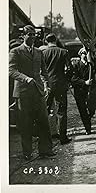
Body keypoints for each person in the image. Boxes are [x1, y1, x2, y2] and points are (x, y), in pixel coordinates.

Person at [9, 25, 56, 160]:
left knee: (43, 121)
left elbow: (44, 71)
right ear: (23, 36)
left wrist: (47, 84)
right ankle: (27, 153)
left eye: (34, 35)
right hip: (23, 93)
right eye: (29, 35)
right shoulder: (15, 51)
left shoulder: (38, 52)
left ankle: (46, 150)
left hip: (38, 91)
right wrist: (25, 78)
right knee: (26, 123)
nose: (32, 37)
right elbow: (11, 70)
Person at [41, 33, 72, 145]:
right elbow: (69, 69)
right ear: (56, 40)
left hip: (47, 85)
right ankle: (63, 138)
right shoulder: (64, 52)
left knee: (44, 110)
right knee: (62, 111)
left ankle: (44, 138)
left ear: (46, 41)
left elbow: (40, 71)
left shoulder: (43, 53)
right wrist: (66, 81)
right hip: (60, 84)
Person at [71, 47, 96, 134]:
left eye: (87, 53)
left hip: (91, 91)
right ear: (80, 55)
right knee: (83, 110)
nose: (85, 55)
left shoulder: (91, 65)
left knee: (92, 109)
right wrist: (84, 82)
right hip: (80, 91)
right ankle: (88, 129)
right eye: (83, 53)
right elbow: (73, 79)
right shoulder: (76, 65)